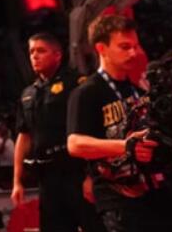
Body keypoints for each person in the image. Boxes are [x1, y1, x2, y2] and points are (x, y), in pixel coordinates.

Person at [67, 15, 172, 232]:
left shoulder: (138, 90)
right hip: (119, 199)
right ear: (101, 48)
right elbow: (75, 144)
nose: (133, 53)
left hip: (156, 190)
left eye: (135, 46)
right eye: (125, 47)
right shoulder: (86, 93)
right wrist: (126, 146)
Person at [11, 32, 103, 232]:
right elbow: (23, 137)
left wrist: (92, 175)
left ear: (57, 55)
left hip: (76, 172)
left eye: (41, 51)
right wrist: (17, 181)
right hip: (47, 178)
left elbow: (92, 129)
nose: (34, 56)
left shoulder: (76, 84)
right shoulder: (28, 93)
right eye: (31, 52)